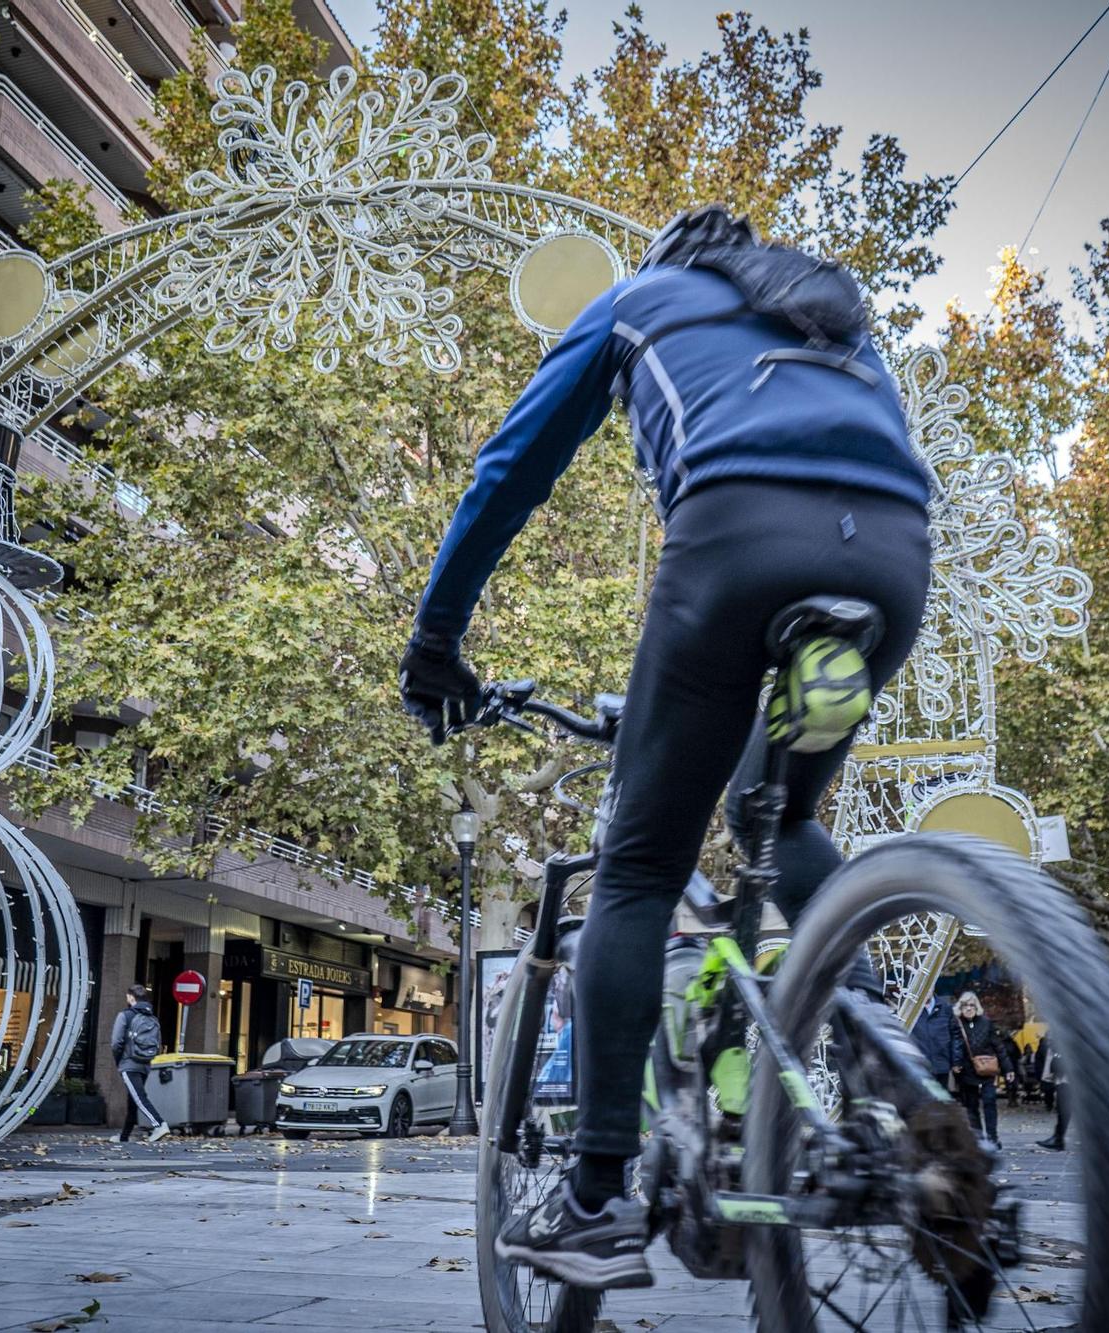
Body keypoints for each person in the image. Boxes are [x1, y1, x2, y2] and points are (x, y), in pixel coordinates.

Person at [398, 205, 934, 1291]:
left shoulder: (635, 300)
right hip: (892, 556)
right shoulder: (835, 318)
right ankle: (894, 1058)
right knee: (777, 818)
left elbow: (509, 469)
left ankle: (594, 1196)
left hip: (736, 539)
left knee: (640, 865)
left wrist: (435, 644)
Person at [949, 991, 1011, 1148]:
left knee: (990, 1102)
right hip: (966, 1070)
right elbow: (955, 1044)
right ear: (960, 1008)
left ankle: (992, 1137)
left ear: (977, 1006)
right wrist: (956, 1063)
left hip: (986, 1068)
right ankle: (979, 1138)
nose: (969, 1008)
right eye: (965, 1005)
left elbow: (998, 1045)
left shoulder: (986, 1022)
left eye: (972, 1005)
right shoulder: (956, 1023)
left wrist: (1008, 1068)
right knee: (971, 1105)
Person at [110, 983, 170, 1144]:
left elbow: (116, 1042)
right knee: (134, 1099)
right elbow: (158, 1042)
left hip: (129, 1063)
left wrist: (119, 1061)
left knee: (139, 1097)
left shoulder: (125, 1015)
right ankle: (124, 1136)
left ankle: (159, 1124)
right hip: (145, 1064)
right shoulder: (152, 1018)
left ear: (131, 997)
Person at [911, 992, 954, 1090]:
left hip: (941, 1063)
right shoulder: (911, 1008)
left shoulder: (945, 1007)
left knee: (941, 1099)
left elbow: (954, 1034)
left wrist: (955, 1061)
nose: (927, 990)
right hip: (920, 1065)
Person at [1032, 1035, 1067, 1150]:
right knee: (1063, 1108)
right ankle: (1058, 1137)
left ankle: (1058, 1138)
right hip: (1063, 1075)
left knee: (1064, 1108)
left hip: (1066, 1074)